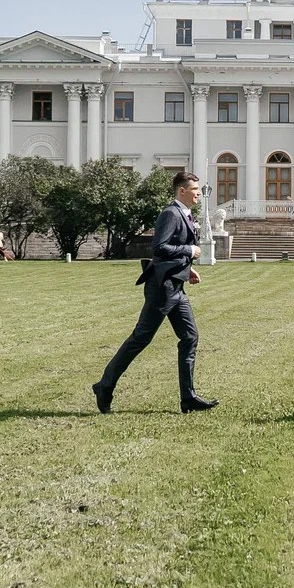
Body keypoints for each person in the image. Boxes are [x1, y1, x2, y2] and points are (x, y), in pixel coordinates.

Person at [92, 171, 219, 414]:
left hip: (176, 287)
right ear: (182, 191)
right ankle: (104, 385)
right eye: (195, 190)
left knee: (190, 337)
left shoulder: (184, 214)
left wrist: (187, 270)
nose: (198, 194)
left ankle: (188, 398)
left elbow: (170, 253)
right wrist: (189, 251)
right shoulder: (171, 213)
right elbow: (159, 248)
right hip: (162, 289)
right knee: (141, 338)